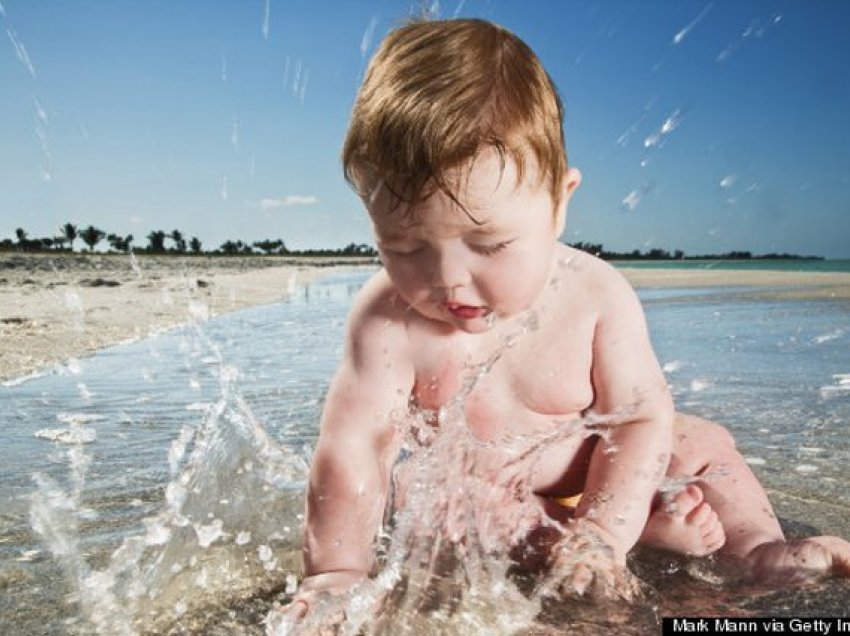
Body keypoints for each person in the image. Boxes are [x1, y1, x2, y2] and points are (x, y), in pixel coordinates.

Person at [284, 17, 850, 626]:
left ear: (559, 202)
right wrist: (336, 573)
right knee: (446, 505)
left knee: (701, 442)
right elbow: (352, 448)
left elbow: (636, 418)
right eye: (403, 247)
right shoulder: (385, 321)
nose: (448, 280)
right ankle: (639, 536)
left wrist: (604, 528)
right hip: (491, 498)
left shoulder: (593, 292)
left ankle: (753, 549)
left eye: (491, 245)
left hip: (588, 466)